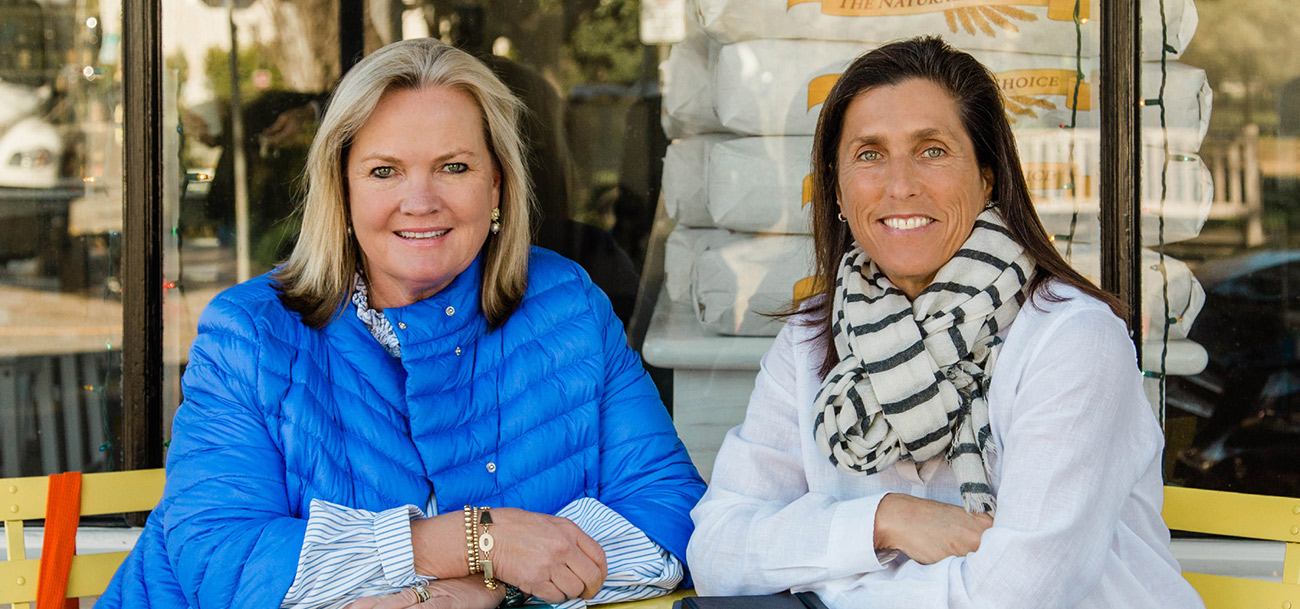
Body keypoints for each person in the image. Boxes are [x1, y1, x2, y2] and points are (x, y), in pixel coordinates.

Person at [97, 37, 705, 609]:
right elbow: (218, 558)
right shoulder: (250, 332)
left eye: (455, 167)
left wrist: (492, 586)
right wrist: (475, 541)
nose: (420, 200)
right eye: (384, 170)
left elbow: (671, 507)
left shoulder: (567, 303)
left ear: (497, 183)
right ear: (343, 187)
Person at [685, 36, 1204, 609]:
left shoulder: (1072, 339)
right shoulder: (811, 340)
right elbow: (715, 551)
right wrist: (883, 521)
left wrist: (819, 575)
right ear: (836, 189)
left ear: (987, 177)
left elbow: (1014, 596)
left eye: (932, 150)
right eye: (869, 154)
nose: (899, 184)